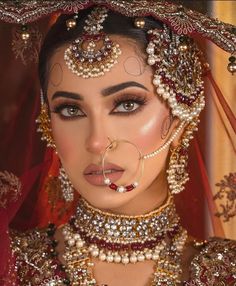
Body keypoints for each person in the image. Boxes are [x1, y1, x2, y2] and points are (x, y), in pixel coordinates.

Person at [0, 1, 235, 285]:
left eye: (126, 105)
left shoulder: (225, 273)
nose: (97, 142)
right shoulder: (11, 263)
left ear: (181, 114)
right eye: (71, 110)